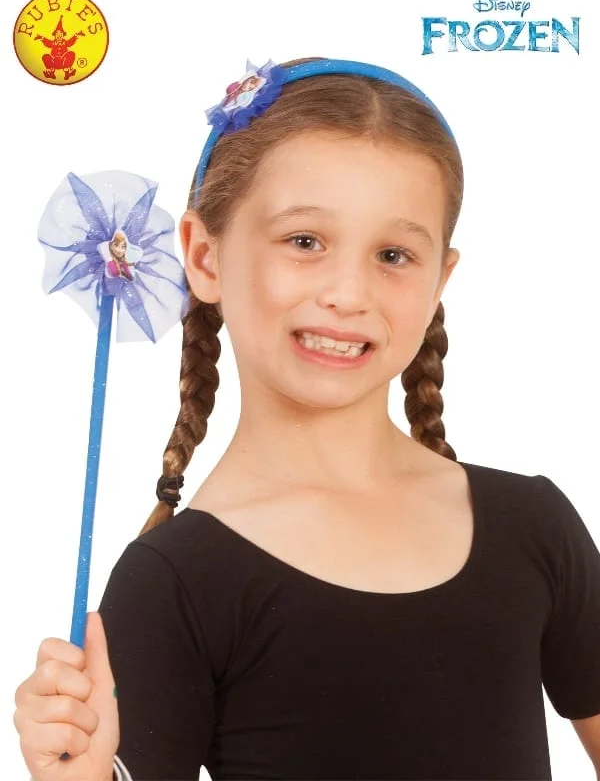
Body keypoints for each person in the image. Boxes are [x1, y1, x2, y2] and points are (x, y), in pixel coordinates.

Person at [13, 55, 600, 781]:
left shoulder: (535, 526)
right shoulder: (174, 582)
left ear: (439, 280)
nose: (348, 293)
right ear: (205, 255)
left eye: (393, 254)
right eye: (305, 242)